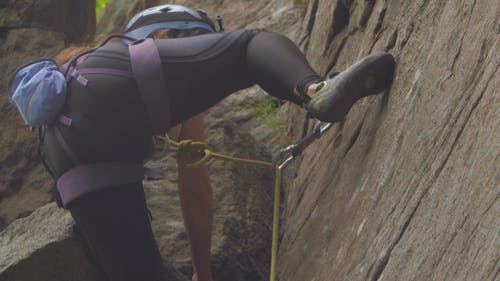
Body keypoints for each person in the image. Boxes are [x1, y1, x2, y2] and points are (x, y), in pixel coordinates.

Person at [13, 4, 395, 281]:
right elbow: (193, 181)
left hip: (60, 152)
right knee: (249, 46)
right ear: (175, 36)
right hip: (104, 87)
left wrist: (199, 271)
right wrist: (204, 270)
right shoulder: (145, 65)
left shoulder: (81, 64)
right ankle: (316, 90)